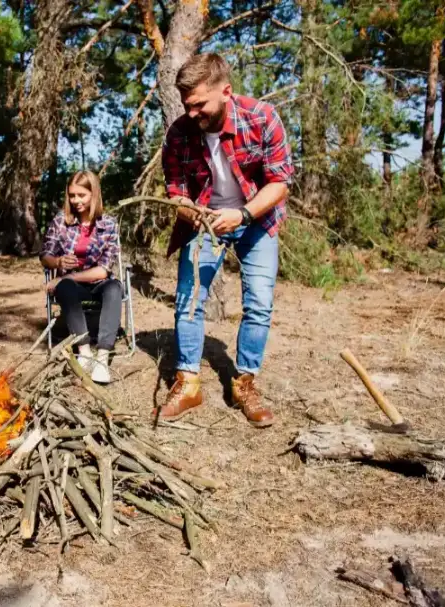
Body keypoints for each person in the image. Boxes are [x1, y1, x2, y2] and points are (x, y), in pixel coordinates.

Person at [156, 53, 294, 428]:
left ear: (226, 92)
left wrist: (244, 214)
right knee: (188, 298)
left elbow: (279, 183)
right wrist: (195, 214)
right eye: (187, 105)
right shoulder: (180, 132)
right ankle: (187, 383)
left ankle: (244, 381)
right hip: (206, 221)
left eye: (200, 103)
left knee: (259, 304)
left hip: (257, 219)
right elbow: (176, 191)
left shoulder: (262, 118)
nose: (192, 113)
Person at [40, 170, 122, 384]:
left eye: (81, 195)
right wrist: (57, 263)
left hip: (99, 283)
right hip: (71, 287)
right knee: (65, 288)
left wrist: (67, 277)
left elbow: (104, 270)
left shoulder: (109, 225)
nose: (75, 200)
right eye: (72, 195)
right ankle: (84, 352)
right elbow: (45, 254)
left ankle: (102, 358)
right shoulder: (61, 221)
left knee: (114, 288)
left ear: (94, 194)